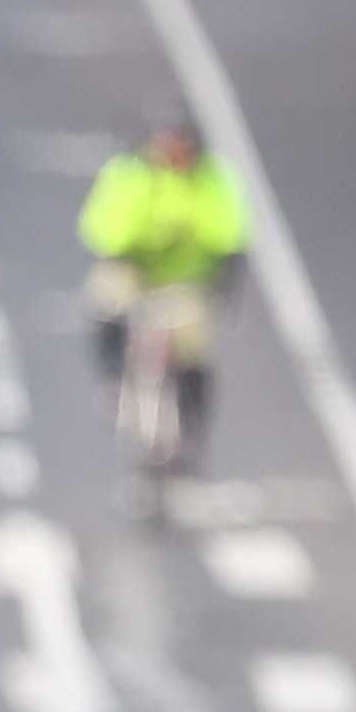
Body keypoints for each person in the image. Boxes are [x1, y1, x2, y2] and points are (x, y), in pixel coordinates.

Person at [79, 119, 251, 472]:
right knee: (104, 296)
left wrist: (222, 283)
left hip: (186, 281)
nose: (174, 155)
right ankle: (112, 378)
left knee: (193, 348)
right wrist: (121, 250)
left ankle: (191, 425)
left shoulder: (212, 180)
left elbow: (229, 233)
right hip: (136, 271)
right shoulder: (132, 175)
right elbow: (103, 226)